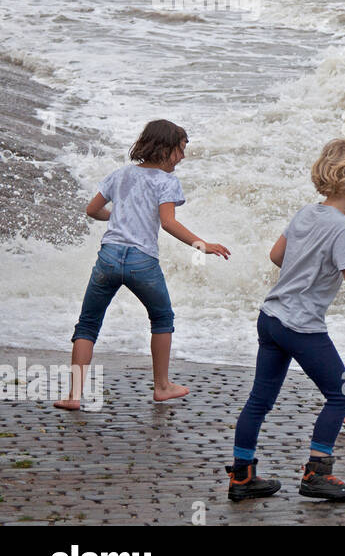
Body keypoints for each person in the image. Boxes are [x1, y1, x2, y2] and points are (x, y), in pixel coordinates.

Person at [225, 139, 345, 502]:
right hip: (302, 326)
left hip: (271, 318)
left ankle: (242, 476)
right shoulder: (342, 228)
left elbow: (277, 255)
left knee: (259, 399)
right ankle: (316, 473)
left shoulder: (305, 213)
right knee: (341, 394)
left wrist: (303, 271)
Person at [54, 119, 229, 411]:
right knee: (162, 319)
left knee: (87, 324)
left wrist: (120, 216)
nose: (183, 157)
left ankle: (73, 396)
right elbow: (168, 222)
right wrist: (203, 245)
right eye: (181, 149)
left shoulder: (121, 175)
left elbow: (92, 209)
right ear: (165, 149)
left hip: (108, 257)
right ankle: (162, 386)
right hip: (141, 262)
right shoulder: (167, 181)